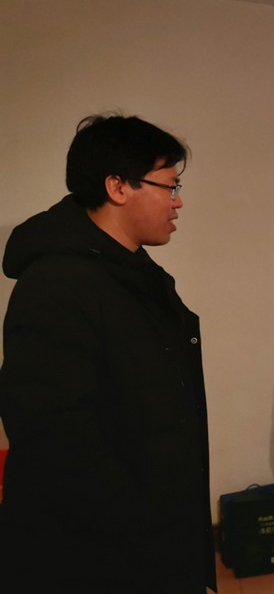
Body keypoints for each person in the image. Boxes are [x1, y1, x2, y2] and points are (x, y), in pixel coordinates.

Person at [0, 115, 216, 593]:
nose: (178, 200)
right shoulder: (57, 284)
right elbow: (55, 437)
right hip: (100, 559)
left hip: (148, 543)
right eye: (170, 185)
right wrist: (145, 525)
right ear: (118, 187)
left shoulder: (135, 275)